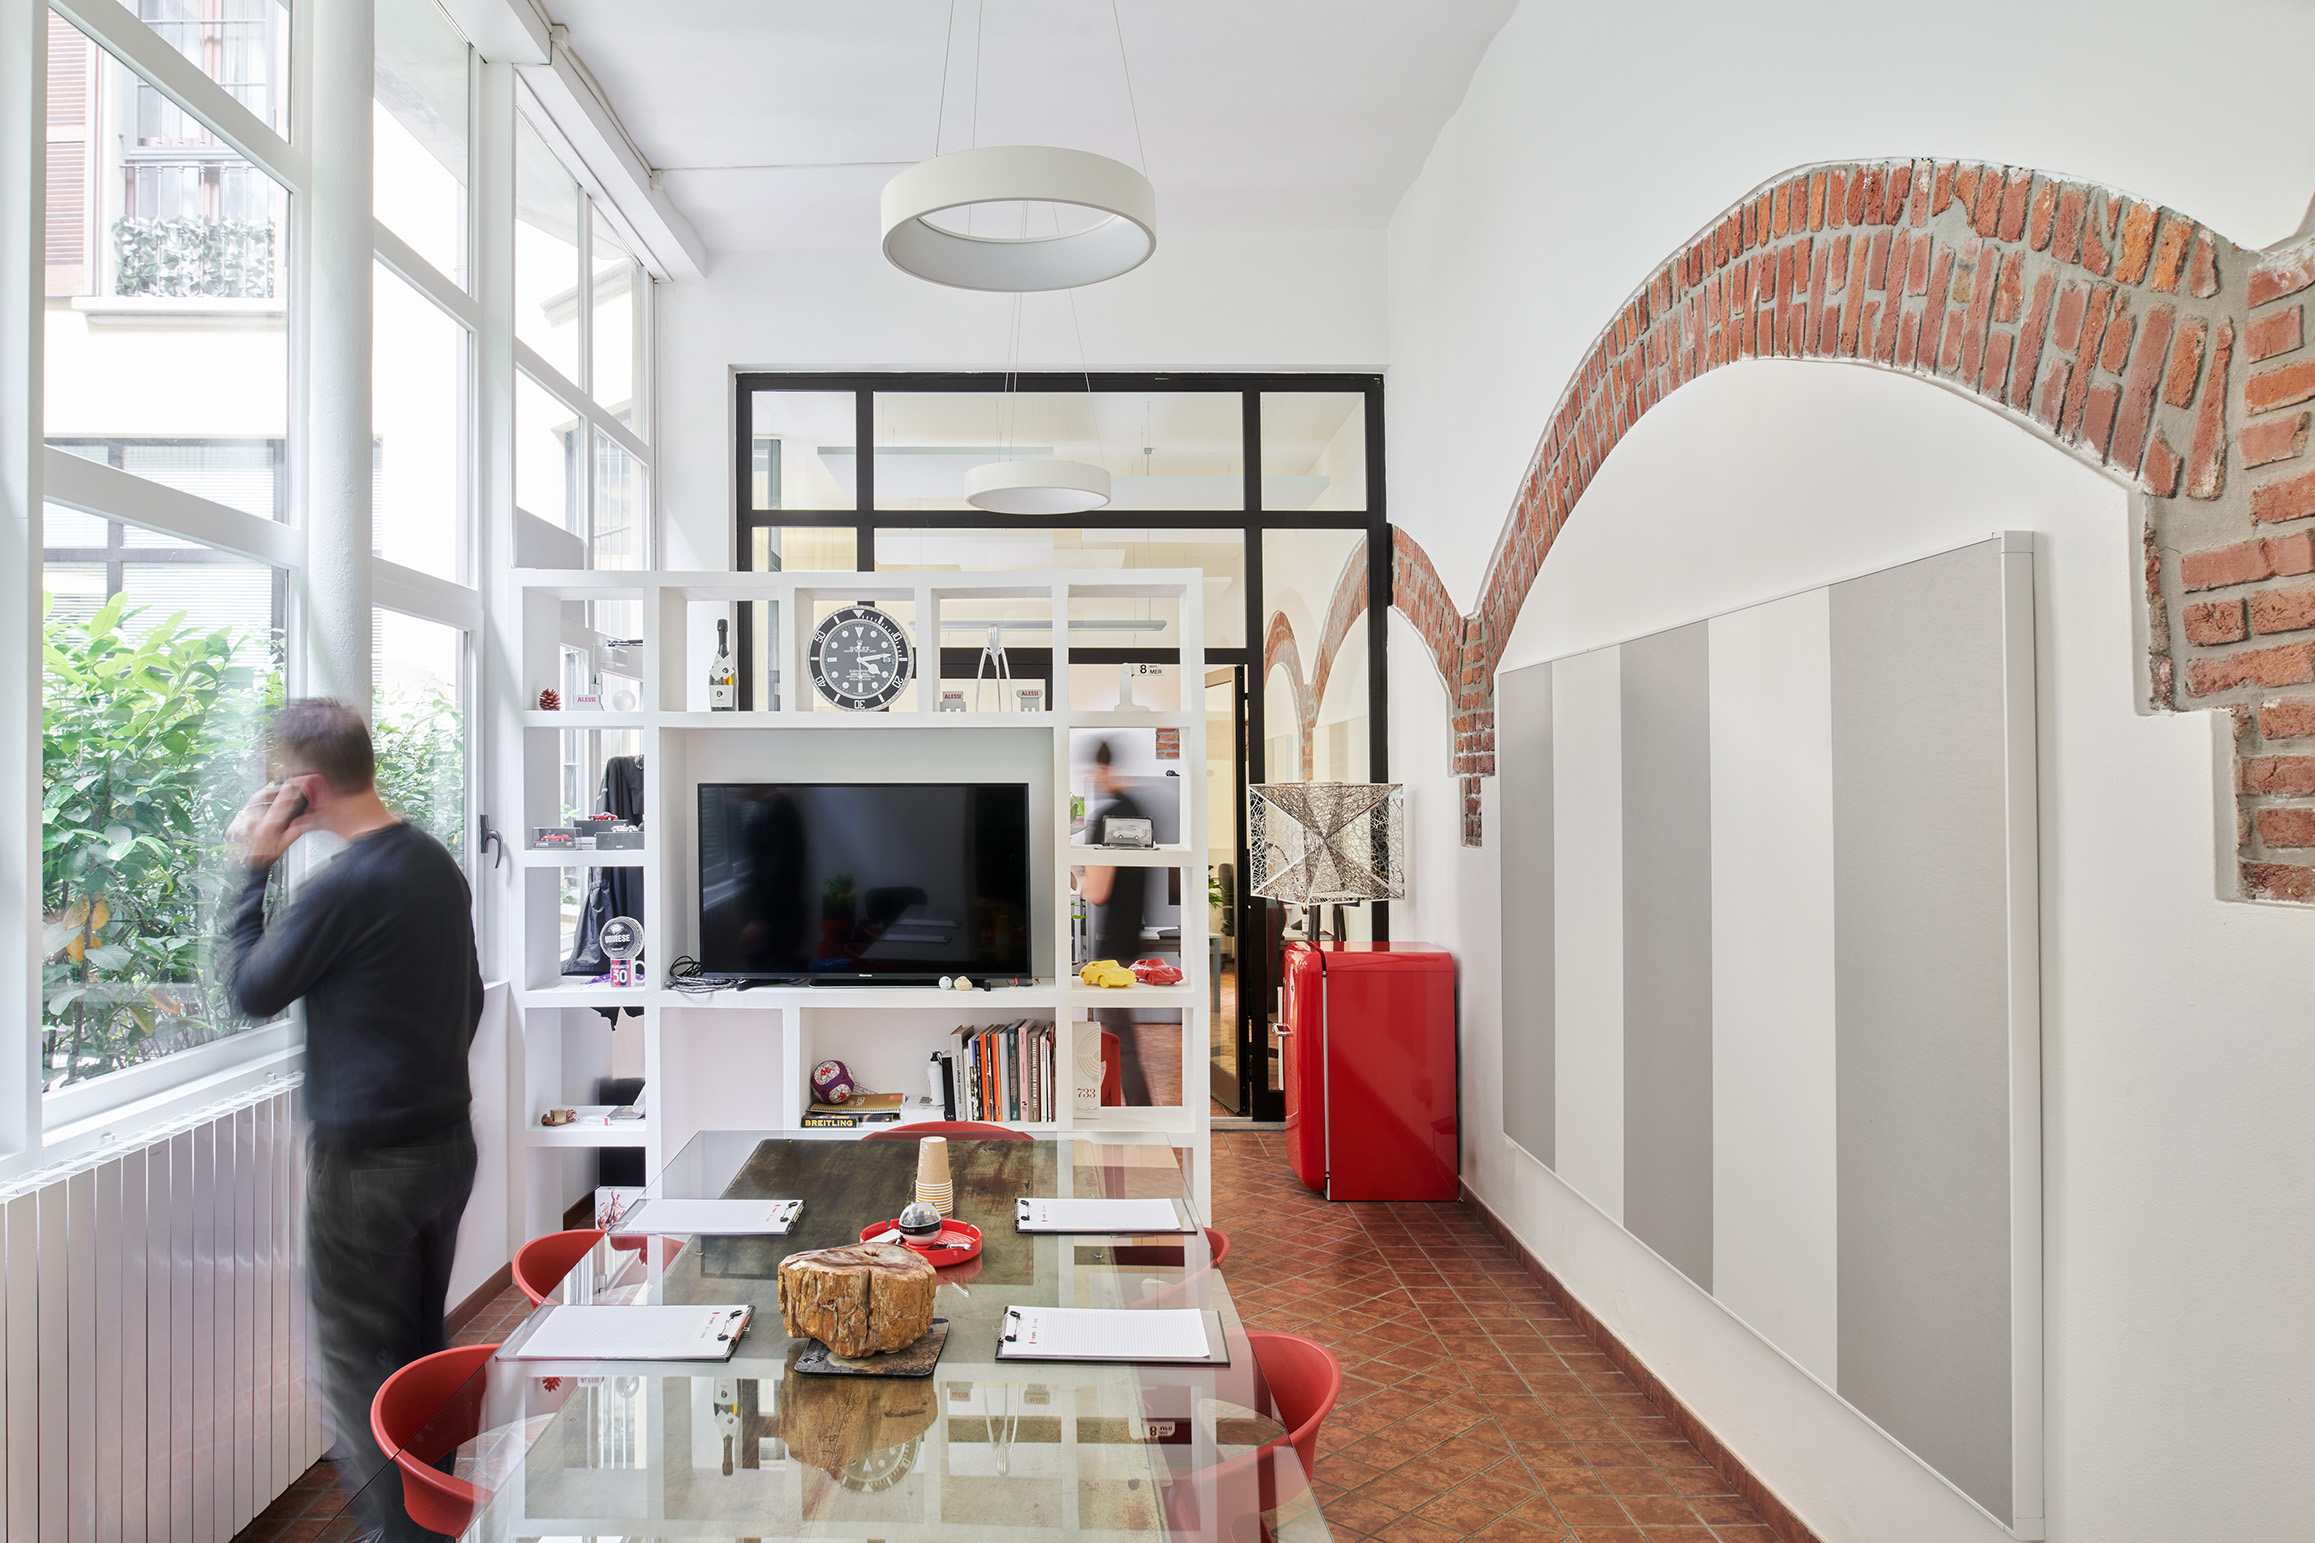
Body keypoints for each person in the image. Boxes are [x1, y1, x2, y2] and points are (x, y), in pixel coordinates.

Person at [224, 699, 483, 1543]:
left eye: (274, 788)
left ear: (304, 789)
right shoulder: (433, 863)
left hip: (367, 1164)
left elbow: (252, 989)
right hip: (446, 1147)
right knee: (416, 1361)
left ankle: (403, 1539)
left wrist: (250, 869)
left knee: (358, 1378)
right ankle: (441, 1520)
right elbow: (470, 999)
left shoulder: (345, 884)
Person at [1078, 740, 1154, 1104]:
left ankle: (1141, 1115)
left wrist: (1075, 874)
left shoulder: (1106, 819)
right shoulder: (1137, 810)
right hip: (1130, 939)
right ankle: (1122, 1110)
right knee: (1118, 1036)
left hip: (1110, 949)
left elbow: (1096, 892)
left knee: (1118, 1039)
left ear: (1100, 770)